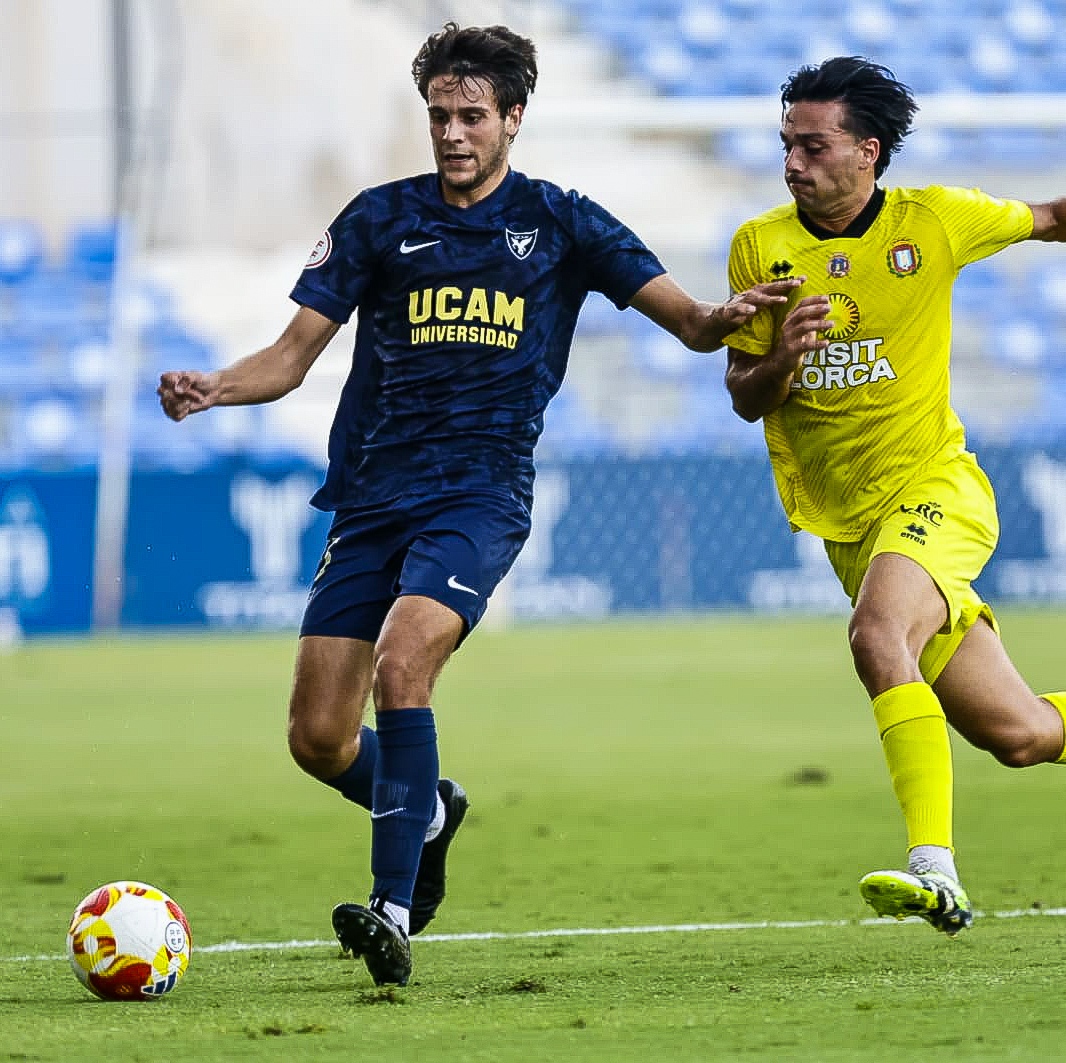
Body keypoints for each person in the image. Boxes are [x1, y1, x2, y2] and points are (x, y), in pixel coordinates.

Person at [158, 22, 798, 987]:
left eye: (471, 117)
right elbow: (289, 360)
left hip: (481, 493)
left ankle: (393, 907)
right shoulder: (379, 219)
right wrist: (215, 384)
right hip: (372, 497)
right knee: (318, 740)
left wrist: (730, 315)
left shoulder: (565, 223)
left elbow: (691, 325)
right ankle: (433, 809)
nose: (452, 134)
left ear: (513, 119)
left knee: (405, 662)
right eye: (438, 116)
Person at [723, 55, 1066, 936]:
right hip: (848, 523)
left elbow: (1050, 217)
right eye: (785, 145)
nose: (792, 163)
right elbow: (744, 393)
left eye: (813, 145)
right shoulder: (762, 244)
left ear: (868, 152)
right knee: (1022, 736)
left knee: (877, 634)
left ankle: (935, 869)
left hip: (936, 489)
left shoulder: (936, 223)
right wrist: (783, 357)